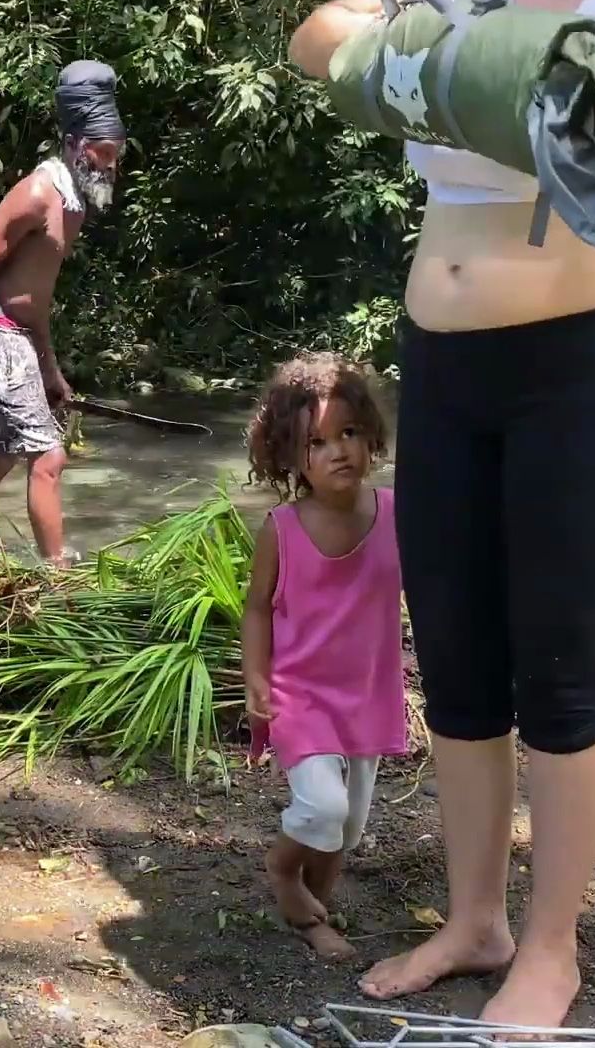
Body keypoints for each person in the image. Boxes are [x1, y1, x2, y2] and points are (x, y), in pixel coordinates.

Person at [288, 0, 595, 1027]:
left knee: (558, 674)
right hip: (443, 368)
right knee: (455, 664)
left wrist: (422, 60)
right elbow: (318, 38)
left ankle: (550, 949)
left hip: (580, 373)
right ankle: (474, 921)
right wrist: (446, 54)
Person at [241, 354, 406, 961]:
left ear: (371, 435)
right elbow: (258, 608)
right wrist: (255, 675)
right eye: (317, 442)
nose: (339, 451)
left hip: (367, 693)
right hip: (301, 694)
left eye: (349, 433)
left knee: (349, 826)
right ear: (289, 456)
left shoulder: (394, 513)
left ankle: (319, 909)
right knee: (321, 805)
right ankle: (284, 871)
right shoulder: (281, 528)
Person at [0, 60, 126, 566]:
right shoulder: (37, 193)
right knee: (49, 456)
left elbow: (35, 300)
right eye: (101, 152)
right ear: (72, 143)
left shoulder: (77, 202)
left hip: (18, 338)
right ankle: (59, 576)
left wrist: (50, 368)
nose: (109, 164)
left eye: (116, 154)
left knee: (1, 456)